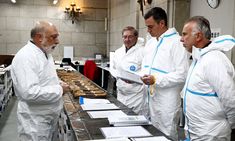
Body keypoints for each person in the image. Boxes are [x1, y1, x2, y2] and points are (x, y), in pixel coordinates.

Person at [11, 21, 70, 141]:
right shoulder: (26, 56)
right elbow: (29, 92)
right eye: (53, 37)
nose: (57, 41)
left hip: (47, 117)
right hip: (35, 121)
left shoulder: (45, 53)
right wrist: (59, 89)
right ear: (39, 38)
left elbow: (45, 78)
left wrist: (58, 83)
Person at [180, 16, 235, 140]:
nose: (181, 39)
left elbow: (230, 98)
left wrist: (233, 128)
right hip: (197, 132)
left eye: (184, 34)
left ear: (198, 36)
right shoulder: (199, 58)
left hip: (211, 134)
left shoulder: (214, 60)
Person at [140, 7, 189, 140]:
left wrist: (155, 79)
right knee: (150, 132)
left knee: (166, 134)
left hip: (167, 101)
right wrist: (142, 76)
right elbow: (145, 67)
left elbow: (182, 74)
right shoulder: (150, 44)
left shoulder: (177, 42)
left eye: (151, 27)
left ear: (162, 23)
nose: (148, 31)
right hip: (150, 98)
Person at [110, 26, 145, 114]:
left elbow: (147, 71)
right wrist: (118, 75)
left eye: (130, 36)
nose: (127, 39)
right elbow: (113, 68)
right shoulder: (118, 52)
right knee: (121, 119)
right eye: (125, 37)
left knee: (135, 122)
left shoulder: (143, 51)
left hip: (136, 95)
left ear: (136, 37)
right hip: (121, 93)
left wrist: (134, 78)